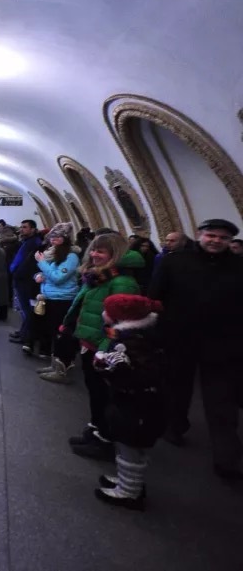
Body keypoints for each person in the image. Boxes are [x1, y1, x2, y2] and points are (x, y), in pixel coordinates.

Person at [148, 218, 243, 480]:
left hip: (223, 345)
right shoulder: (175, 262)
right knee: (176, 388)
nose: (216, 241)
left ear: (229, 242)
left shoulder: (239, 267)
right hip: (179, 339)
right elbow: (155, 297)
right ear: (200, 235)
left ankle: (227, 459)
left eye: (222, 238)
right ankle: (174, 426)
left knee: (222, 402)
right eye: (211, 235)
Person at [62, 233, 144, 457]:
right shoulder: (99, 276)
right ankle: (96, 429)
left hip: (103, 349)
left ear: (114, 255)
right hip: (90, 343)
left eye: (102, 252)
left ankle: (105, 441)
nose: (95, 255)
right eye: (94, 250)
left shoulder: (122, 282)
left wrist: (104, 350)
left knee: (104, 395)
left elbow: (123, 324)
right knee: (95, 392)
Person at [92, 294, 166, 511]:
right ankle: (127, 482)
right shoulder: (137, 337)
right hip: (138, 404)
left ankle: (129, 492)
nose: (104, 314)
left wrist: (110, 368)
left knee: (130, 446)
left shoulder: (132, 343)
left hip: (137, 406)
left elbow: (138, 375)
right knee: (128, 445)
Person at [25, 222, 80, 361]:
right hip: (48, 296)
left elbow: (58, 278)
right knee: (44, 326)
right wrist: (38, 275)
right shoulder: (52, 254)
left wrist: (42, 263)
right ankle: (47, 352)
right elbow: (49, 273)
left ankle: (58, 360)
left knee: (56, 330)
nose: (53, 239)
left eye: (58, 237)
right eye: (51, 237)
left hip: (62, 298)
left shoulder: (71, 257)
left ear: (66, 238)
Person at [8, 219, 43, 345]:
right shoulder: (28, 242)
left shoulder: (34, 243)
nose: (21, 229)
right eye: (21, 227)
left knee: (27, 309)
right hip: (22, 279)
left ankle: (26, 335)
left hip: (26, 281)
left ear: (33, 229)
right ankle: (23, 332)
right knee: (24, 308)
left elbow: (27, 264)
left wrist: (18, 273)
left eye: (25, 227)